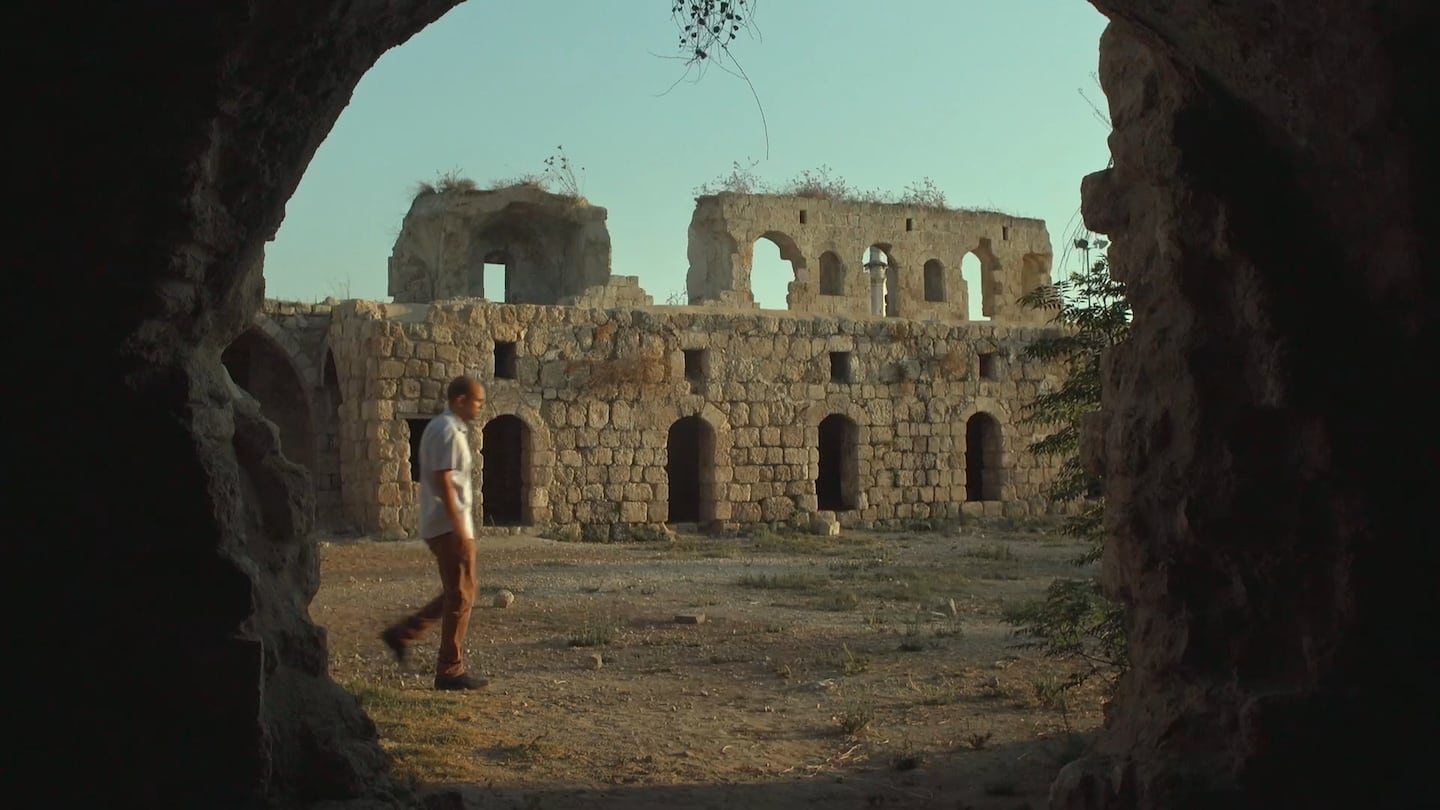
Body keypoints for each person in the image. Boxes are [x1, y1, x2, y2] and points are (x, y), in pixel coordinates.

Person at [380, 375, 489, 690]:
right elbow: (443, 478)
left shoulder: (444, 428)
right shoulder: (447, 431)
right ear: (460, 400)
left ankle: (404, 633)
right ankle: (449, 670)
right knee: (462, 596)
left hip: (444, 522)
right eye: (477, 400)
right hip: (449, 524)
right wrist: (458, 525)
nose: (481, 406)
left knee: (460, 593)